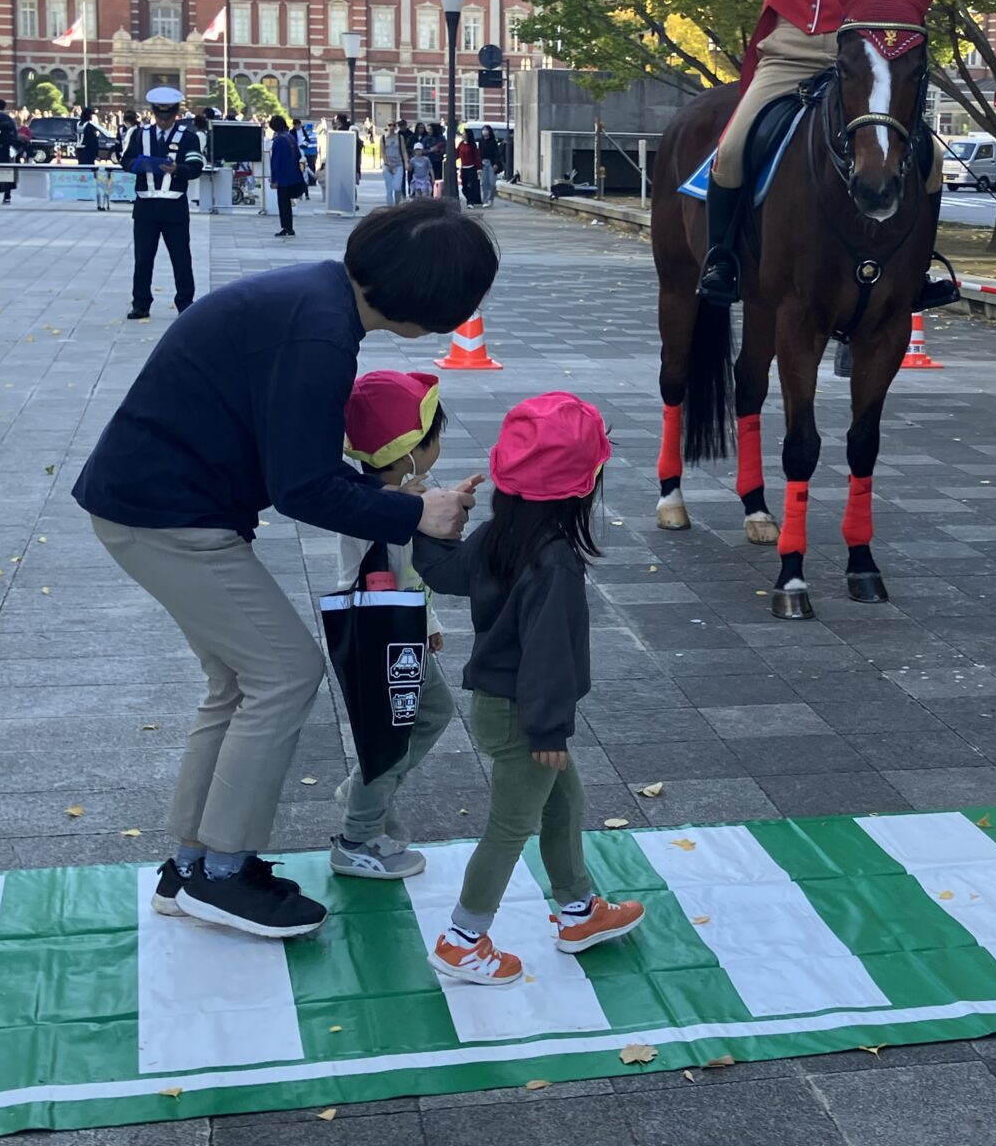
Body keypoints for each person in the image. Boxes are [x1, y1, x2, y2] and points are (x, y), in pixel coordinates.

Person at [73, 199, 500, 938]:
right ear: (428, 301)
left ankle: (194, 865)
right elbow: (304, 488)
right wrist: (414, 513)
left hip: (154, 504)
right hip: (168, 517)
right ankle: (222, 873)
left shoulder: (316, 299)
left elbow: (295, 460)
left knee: (238, 683)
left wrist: (390, 500)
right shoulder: (319, 333)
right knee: (284, 673)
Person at [572, 0, 955, 312]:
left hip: (853, 60)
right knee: (729, 154)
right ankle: (724, 259)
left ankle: (917, 269)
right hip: (788, 53)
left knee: (926, 157)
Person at [408, 392, 645, 985]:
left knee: (565, 802)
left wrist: (440, 528)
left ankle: (579, 909)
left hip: (505, 709)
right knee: (510, 825)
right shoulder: (555, 559)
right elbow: (549, 654)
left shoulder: (499, 535)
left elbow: (442, 573)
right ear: (580, 488)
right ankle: (463, 937)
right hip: (525, 717)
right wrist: (548, 727)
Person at [328, 370, 454, 878]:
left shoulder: (385, 498)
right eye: (434, 438)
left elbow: (408, 578)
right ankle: (358, 836)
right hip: (384, 641)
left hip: (400, 635)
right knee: (392, 728)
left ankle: (362, 791)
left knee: (425, 714)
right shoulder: (382, 509)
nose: (438, 446)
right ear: (408, 452)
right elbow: (387, 579)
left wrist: (430, 623)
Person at [121, 85, 205, 320]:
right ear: (153, 112)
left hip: (174, 207)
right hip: (146, 206)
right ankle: (141, 303)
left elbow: (196, 167)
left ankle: (185, 303)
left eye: (167, 116)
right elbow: (125, 159)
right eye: (159, 115)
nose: (163, 120)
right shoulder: (140, 135)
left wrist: (179, 169)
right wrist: (135, 165)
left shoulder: (188, 138)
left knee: (181, 259)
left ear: (176, 113)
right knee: (143, 259)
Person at [268, 112, 306, 238]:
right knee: (287, 203)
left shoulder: (278, 140)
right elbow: (298, 156)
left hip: (283, 177)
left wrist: (274, 179)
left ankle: (286, 227)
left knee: (283, 203)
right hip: (293, 174)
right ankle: (289, 227)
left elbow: (276, 161)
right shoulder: (290, 137)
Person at [381, 118, 407, 204]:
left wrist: (406, 162)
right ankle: (389, 208)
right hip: (387, 165)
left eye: (393, 125)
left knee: (397, 187)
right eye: (389, 125)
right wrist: (388, 164)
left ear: (396, 127)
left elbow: (403, 151)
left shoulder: (400, 137)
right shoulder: (383, 138)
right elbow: (382, 152)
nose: (391, 127)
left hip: (398, 164)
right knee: (389, 190)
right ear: (386, 126)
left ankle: (396, 205)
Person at [456, 128, 483, 208]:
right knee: (464, 187)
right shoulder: (461, 144)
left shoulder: (472, 145)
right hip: (464, 168)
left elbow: (477, 157)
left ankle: (470, 202)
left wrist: (479, 168)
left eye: (464, 133)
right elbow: (457, 154)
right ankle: (469, 199)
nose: (463, 134)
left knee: (471, 186)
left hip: (472, 168)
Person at [407, 135, 435, 200]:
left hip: (425, 179)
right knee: (417, 195)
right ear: (414, 151)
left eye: (419, 150)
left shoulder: (426, 159)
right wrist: (408, 165)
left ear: (422, 150)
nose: (418, 151)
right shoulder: (412, 160)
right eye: (416, 150)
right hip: (416, 179)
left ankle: (425, 205)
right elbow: (410, 169)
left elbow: (430, 168)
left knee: (425, 194)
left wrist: (433, 178)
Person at [295, 115, 319, 191]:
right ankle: (313, 181)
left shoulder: (306, 134)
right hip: (314, 153)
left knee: (305, 168)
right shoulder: (314, 134)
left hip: (306, 153)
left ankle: (307, 181)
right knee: (312, 167)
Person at [478, 125, 502, 200]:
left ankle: (490, 198)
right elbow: (479, 153)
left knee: (492, 183)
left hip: (491, 163)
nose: (484, 131)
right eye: (483, 130)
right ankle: (485, 200)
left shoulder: (493, 141)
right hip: (483, 163)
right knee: (484, 183)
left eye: (486, 130)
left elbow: (496, 153)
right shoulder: (481, 141)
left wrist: (495, 163)